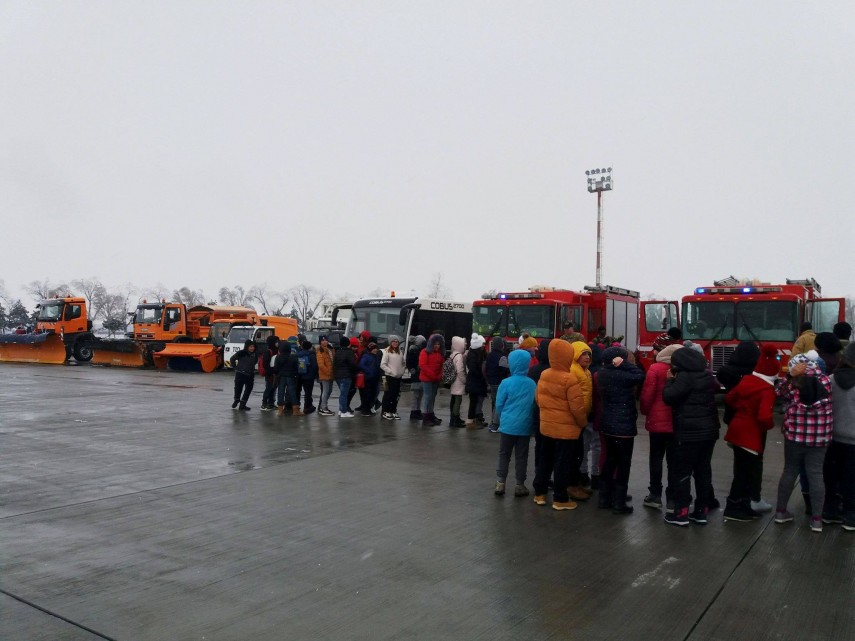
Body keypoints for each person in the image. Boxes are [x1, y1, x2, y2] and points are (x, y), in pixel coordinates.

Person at [773, 354, 833, 532]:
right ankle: (816, 520)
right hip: (820, 437)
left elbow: (778, 393)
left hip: (794, 436)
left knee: (789, 471)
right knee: (816, 474)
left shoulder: (792, 383)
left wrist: (790, 375)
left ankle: (781, 512)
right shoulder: (825, 380)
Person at [662, 346, 721, 526]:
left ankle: (681, 513)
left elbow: (668, 397)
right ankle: (701, 511)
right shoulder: (707, 374)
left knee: (682, 472)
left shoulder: (684, 378)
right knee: (703, 472)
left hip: (688, 433)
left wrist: (670, 381)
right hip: (709, 432)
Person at [722, 345, 779, 521]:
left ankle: (741, 505)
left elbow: (729, 398)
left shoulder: (746, 380)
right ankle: (735, 507)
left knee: (740, 470)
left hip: (736, 431)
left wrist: (742, 409)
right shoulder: (767, 391)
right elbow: (764, 417)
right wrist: (769, 425)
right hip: (751, 435)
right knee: (746, 473)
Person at [532, 340, 587, 511]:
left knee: (545, 460)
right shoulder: (569, 379)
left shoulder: (545, 374)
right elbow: (577, 408)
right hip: (566, 431)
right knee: (562, 464)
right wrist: (582, 424)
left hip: (547, 427)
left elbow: (538, 399)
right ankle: (560, 499)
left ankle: (540, 494)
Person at [596, 346, 645, 514]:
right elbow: (640, 375)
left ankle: (604, 498)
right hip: (623, 427)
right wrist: (625, 364)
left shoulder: (602, 374)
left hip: (607, 423)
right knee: (623, 464)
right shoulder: (623, 375)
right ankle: (619, 502)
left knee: (610, 460)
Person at [640, 343, 680, 511]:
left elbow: (647, 395)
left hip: (657, 422)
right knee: (674, 461)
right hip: (676, 422)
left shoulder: (655, 369)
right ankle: (672, 498)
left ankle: (655, 495)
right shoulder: (682, 370)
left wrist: (645, 411)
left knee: (655, 458)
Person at [494, 349, 537, 498]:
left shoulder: (505, 383)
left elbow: (499, 404)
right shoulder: (532, 384)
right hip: (525, 426)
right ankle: (520, 484)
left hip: (507, 426)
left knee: (504, 454)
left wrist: (504, 418)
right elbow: (534, 404)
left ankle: (500, 483)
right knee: (522, 456)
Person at [823, 342, 855, 530]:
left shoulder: (831, 380)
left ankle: (830, 511)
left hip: (832, 438)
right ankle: (851, 516)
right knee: (851, 478)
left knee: (831, 476)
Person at [569, 341, 595, 494]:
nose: (586, 357)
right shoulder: (574, 370)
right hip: (575, 419)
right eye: (583, 354)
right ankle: (572, 485)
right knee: (574, 453)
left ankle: (577, 482)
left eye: (588, 354)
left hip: (581, 418)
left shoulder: (586, 371)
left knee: (579, 452)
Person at [419, 334, 445, 426]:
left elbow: (442, 366)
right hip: (427, 379)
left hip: (435, 379)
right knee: (428, 397)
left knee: (432, 397)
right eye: (435, 344)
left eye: (438, 344)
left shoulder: (440, 354)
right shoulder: (424, 352)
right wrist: (434, 375)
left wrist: (439, 375)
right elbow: (423, 365)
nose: (437, 346)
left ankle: (430, 414)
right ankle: (426, 416)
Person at [486, 337, 510, 432]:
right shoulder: (501, 357)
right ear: (502, 346)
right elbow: (505, 369)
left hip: (491, 382)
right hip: (499, 382)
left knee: (494, 401)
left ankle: (492, 420)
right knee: (499, 403)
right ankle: (496, 424)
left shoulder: (490, 355)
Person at [465, 333, 488, 428]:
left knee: (475, 401)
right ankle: (471, 421)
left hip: (475, 382)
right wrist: (482, 376)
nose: (484, 346)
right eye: (482, 344)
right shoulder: (473, 356)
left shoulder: (475, 354)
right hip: (475, 382)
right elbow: (475, 370)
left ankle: (474, 420)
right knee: (473, 402)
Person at [380, 335, 405, 420]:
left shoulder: (400, 352)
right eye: (393, 341)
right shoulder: (387, 352)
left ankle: (393, 410)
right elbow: (382, 365)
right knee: (388, 394)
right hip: (388, 377)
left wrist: (401, 372)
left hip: (398, 377)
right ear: (390, 342)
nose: (395, 343)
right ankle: (385, 411)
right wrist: (391, 372)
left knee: (396, 394)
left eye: (397, 341)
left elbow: (403, 363)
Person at [274, 342, 302, 416]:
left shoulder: (278, 357)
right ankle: (295, 411)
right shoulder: (293, 357)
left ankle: (280, 411)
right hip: (291, 376)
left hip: (281, 377)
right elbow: (296, 368)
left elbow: (276, 368)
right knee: (292, 393)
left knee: (280, 392)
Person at [229, 340, 258, 411]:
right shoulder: (241, 353)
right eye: (250, 346)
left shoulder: (255, 354)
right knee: (238, 388)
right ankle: (236, 400)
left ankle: (243, 404)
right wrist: (235, 367)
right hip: (240, 374)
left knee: (248, 389)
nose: (252, 348)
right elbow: (232, 359)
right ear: (247, 347)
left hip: (250, 374)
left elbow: (255, 362)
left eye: (253, 346)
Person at [333, 335, 358, 418]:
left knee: (342, 394)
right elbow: (353, 365)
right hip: (346, 375)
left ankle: (341, 410)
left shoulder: (338, 352)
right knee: (344, 394)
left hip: (337, 376)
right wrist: (357, 370)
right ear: (348, 344)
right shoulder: (349, 352)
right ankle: (343, 411)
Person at [448, 336, 468, 428]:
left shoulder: (453, 354)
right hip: (458, 382)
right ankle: (455, 420)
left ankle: (453, 418)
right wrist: (465, 380)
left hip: (453, 381)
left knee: (453, 400)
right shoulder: (459, 356)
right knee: (457, 401)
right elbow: (460, 370)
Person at [357, 343, 381, 416]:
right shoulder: (366, 356)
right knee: (367, 395)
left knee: (372, 395)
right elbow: (361, 365)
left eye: (376, 348)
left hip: (375, 378)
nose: (375, 350)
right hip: (368, 379)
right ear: (370, 349)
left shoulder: (375, 356)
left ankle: (368, 409)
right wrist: (369, 372)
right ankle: (365, 410)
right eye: (373, 348)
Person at [407, 335, 427, 421]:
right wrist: (414, 370)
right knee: (416, 395)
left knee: (420, 394)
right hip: (416, 375)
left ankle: (417, 410)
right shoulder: (413, 351)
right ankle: (414, 411)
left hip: (419, 375)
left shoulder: (417, 350)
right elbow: (410, 363)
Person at [295, 340, 318, 414]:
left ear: (302, 346)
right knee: (308, 393)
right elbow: (314, 366)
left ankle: (297, 406)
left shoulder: (297, 354)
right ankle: (307, 407)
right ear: (310, 347)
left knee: (297, 391)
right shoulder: (311, 355)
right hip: (309, 377)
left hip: (298, 376)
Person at [315, 335, 335, 416]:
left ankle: (324, 406)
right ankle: (323, 408)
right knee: (325, 391)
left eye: (326, 340)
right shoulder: (320, 351)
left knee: (329, 391)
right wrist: (328, 372)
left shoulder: (329, 349)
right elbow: (321, 365)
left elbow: (332, 360)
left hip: (330, 374)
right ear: (320, 342)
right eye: (322, 340)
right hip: (325, 375)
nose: (324, 341)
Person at [259, 335, 280, 411]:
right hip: (270, 374)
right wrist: (271, 372)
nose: (278, 343)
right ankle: (264, 404)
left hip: (275, 374)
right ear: (272, 342)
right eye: (276, 342)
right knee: (268, 388)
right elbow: (266, 364)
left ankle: (271, 403)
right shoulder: (268, 352)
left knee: (273, 389)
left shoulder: (277, 350)